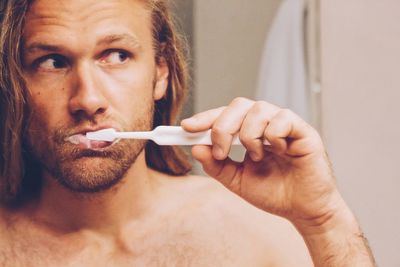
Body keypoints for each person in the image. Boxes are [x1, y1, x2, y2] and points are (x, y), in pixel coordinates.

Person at [0, 0, 376, 266]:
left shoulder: (256, 231)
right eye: (52, 62)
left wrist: (324, 221)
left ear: (160, 72)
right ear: (16, 82)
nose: (88, 99)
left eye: (116, 55)